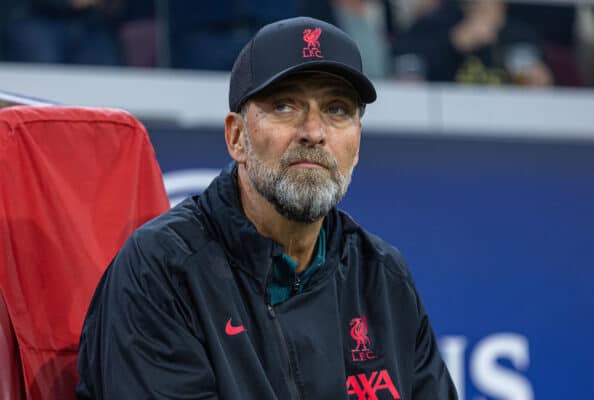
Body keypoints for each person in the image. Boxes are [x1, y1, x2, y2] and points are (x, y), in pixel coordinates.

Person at [76, 16, 458, 399]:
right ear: (236, 136)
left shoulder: (382, 276)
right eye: (285, 106)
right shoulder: (162, 271)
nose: (314, 131)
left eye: (337, 110)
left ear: (357, 144)